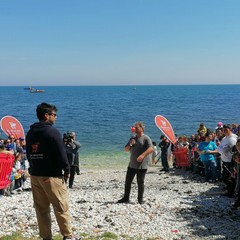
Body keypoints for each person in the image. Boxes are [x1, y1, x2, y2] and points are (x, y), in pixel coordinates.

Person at [26, 102, 77, 240]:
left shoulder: (30, 132)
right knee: (61, 206)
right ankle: (67, 236)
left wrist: (32, 168)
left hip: (36, 175)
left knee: (41, 209)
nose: (56, 118)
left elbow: (29, 153)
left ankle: (46, 237)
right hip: (51, 176)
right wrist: (67, 171)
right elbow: (61, 154)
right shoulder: (52, 132)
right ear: (46, 115)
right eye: (54, 115)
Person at [118, 121, 153, 204]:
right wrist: (130, 144)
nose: (134, 129)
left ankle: (140, 200)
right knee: (128, 182)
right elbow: (126, 149)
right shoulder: (133, 138)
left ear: (142, 128)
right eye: (134, 127)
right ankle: (126, 198)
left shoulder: (146, 138)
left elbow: (151, 149)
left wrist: (142, 155)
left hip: (142, 165)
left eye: (136, 127)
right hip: (132, 164)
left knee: (140, 183)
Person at [217, 124, 238, 198]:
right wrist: (221, 149)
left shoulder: (232, 139)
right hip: (224, 160)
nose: (224, 131)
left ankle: (232, 193)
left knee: (228, 178)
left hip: (230, 161)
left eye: (226, 130)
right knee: (226, 177)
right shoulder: (224, 138)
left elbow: (224, 150)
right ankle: (230, 191)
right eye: (223, 130)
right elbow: (219, 149)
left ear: (230, 129)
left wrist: (221, 149)